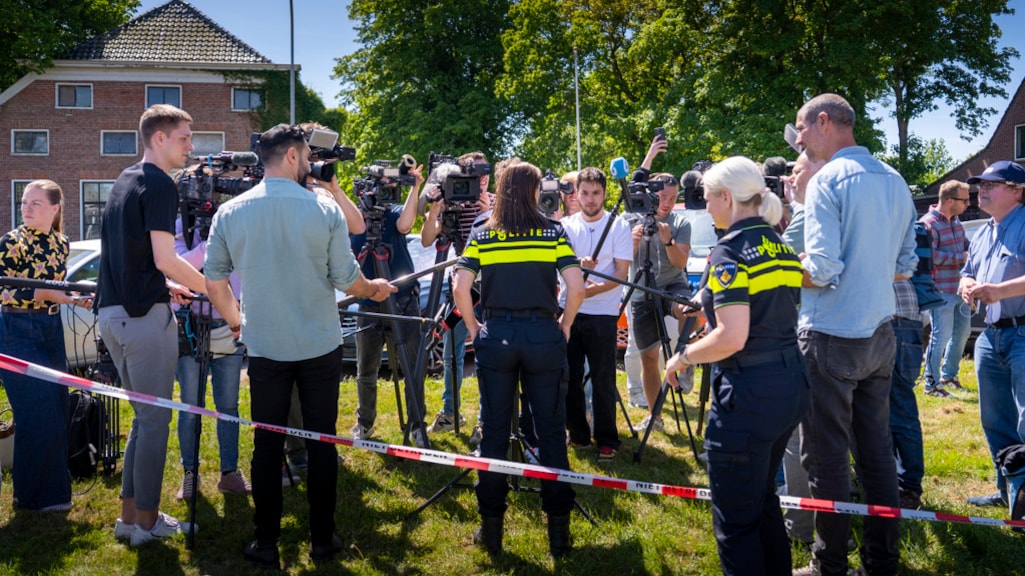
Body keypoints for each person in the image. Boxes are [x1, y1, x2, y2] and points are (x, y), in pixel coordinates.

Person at [204, 124, 394, 568]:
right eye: (307, 154)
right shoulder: (322, 208)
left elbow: (215, 283)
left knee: (266, 444)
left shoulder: (231, 212)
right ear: (291, 156)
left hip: (266, 346)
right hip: (317, 343)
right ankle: (322, 539)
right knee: (321, 440)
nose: (311, 162)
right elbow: (348, 280)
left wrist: (237, 322)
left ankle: (266, 541)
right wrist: (374, 288)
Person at [792, 93, 918, 576]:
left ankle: (829, 565)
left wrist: (776, 268)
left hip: (830, 335)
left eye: (801, 127)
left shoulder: (827, 181)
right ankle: (882, 560)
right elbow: (906, 266)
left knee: (826, 459)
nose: (799, 138)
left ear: (824, 122)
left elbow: (821, 269)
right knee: (876, 456)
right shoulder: (895, 179)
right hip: (880, 333)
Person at [664, 156, 807, 576]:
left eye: (707, 198)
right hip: (789, 385)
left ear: (726, 197)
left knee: (736, 523)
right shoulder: (779, 243)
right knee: (763, 502)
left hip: (749, 394)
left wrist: (684, 357)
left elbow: (732, 336)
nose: (705, 207)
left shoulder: (729, 250)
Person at [453, 161, 584, 558]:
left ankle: (491, 532)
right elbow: (576, 287)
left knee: (493, 435)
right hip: (543, 334)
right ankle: (558, 537)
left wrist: (476, 330)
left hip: (498, 335)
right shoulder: (553, 231)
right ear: (532, 190)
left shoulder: (483, 232)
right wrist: (563, 325)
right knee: (550, 434)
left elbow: (461, 288)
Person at [96, 104, 208, 547]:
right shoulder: (161, 184)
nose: (190, 147)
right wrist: (213, 291)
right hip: (143, 321)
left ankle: (130, 519)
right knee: (155, 421)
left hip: (113, 316)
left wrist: (164, 286)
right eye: (184, 138)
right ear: (158, 138)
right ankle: (145, 525)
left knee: (144, 420)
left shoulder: (124, 179)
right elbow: (166, 258)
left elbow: (137, 259)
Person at [0, 180, 91, 512]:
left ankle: (51, 494)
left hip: (51, 328)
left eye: (35, 203)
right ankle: (32, 497)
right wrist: (47, 294)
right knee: (35, 411)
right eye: (24, 202)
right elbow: (3, 290)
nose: (26, 208)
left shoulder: (61, 243)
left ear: (55, 208)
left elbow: (60, 288)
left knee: (55, 409)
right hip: (17, 328)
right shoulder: (12, 242)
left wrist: (75, 299)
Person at [959, 160, 1025, 508]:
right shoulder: (984, 230)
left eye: (991, 184)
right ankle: (1009, 495)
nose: (980, 190)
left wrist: (1000, 291)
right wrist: (967, 284)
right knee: (996, 421)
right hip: (990, 337)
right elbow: (966, 271)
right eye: (979, 184)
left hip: (1022, 334)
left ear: (1017, 191)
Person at [346, 161, 426, 444]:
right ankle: (364, 422)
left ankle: (417, 424)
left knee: (412, 366)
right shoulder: (353, 219)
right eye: (382, 186)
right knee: (365, 370)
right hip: (368, 303)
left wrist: (415, 188)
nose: (387, 191)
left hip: (402, 300)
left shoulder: (392, 213)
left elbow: (406, 224)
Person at [172, 217, 249, 501]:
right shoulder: (183, 224)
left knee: (228, 405)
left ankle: (229, 473)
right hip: (191, 328)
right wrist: (208, 243)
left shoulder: (237, 222)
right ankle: (190, 474)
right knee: (191, 405)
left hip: (230, 326)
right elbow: (176, 266)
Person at [560, 167, 632, 463]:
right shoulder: (564, 226)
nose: (590, 199)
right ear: (576, 193)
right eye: (585, 193)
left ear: (605, 194)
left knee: (603, 379)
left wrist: (586, 292)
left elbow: (621, 274)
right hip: (570, 312)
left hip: (603, 313)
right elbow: (558, 269)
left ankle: (607, 440)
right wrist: (577, 265)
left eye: (596, 193)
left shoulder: (619, 226)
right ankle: (578, 435)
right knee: (570, 377)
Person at [421, 152, 493, 440]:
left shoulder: (500, 203)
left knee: (490, 354)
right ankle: (450, 412)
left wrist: (488, 213)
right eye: (475, 173)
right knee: (452, 352)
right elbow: (427, 239)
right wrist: (436, 210)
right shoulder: (454, 204)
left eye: (486, 173)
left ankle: (486, 419)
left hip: (493, 289)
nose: (482, 179)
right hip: (462, 290)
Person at [622, 135, 691, 430]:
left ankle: (686, 361)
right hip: (641, 291)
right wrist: (635, 241)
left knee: (690, 310)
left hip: (673, 285)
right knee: (649, 357)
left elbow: (681, 263)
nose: (667, 203)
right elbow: (624, 262)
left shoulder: (681, 223)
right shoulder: (632, 217)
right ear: (651, 195)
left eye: (673, 199)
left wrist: (668, 240)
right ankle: (655, 416)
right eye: (662, 197)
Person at [778, 151, 824, 545]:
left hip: (816, 333)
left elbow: (778, 259)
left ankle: (803, 528)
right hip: (871, 331)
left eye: (797, 170)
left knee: (801, 436)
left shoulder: (811, 213)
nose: (789, 178)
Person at [920, 180, 971, 397]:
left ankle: (948, 376)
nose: (969, 203)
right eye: (965, 200)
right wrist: (962, 258)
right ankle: (930, 385)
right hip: (940, 291)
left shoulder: (956, 222)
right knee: (940, 337)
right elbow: (932, 257)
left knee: (962, 334)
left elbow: (966, 246)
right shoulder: (928, 224)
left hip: (960, 289)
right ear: (949, 200)